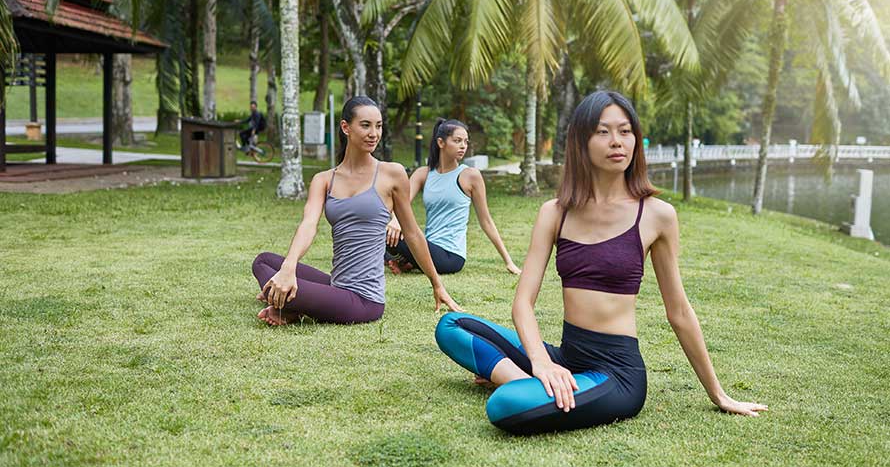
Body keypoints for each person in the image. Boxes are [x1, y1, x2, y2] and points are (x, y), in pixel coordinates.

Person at [434, 91, 767, 434]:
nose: (616, 142)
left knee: (504, 405)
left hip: (616, 374)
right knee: (452, 326)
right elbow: (523, 303)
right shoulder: (555, 212)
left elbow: (679, 312)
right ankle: (535, 381)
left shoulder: (657, 215)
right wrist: (543, 363)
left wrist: (719, 394)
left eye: (625, 131)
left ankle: (528, 388)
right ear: (581, 140)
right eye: (602, 131)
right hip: (567, 357)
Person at [253, 96, 462, 326]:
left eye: (379, 126)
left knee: (288, 287)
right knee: (263, 262)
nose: (374, 133)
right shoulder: (324, 179)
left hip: (364, 301)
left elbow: (412, 233)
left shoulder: (392, 174)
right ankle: (291, 300)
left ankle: (289, 303)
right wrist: (288, 268)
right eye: (365, 125)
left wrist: (437, 283)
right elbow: (308, 225)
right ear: (346, 127)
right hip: (337, 285)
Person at [384, 119, 521, 276]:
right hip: (427, 247)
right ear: (441, 142)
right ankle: (405, 261)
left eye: (465, 141)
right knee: (378, 226)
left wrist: (509, 262)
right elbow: (400, 203)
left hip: (450, 257)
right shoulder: (423, 174)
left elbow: (486, 222)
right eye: (457, 141)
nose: (463, 146)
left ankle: (401, 260)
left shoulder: (470, 175)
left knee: (385, 235)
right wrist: (395, 220)